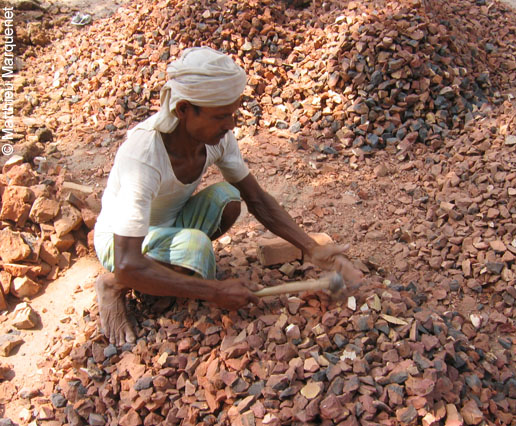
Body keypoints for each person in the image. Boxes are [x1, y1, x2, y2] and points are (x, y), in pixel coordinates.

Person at [93, 47, 363, 346]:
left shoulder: (215, 139)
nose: (231, 124)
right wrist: (214, 291)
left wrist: (313, 250)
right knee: (195, 248)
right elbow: (128, 260)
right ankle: (111, 285)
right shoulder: (144, 157)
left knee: (229, 196)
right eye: (221, 116)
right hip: (120, 244)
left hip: (169, 224)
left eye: (232, 113)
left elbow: (257, 199)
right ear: (183, 109)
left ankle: (172, 268)